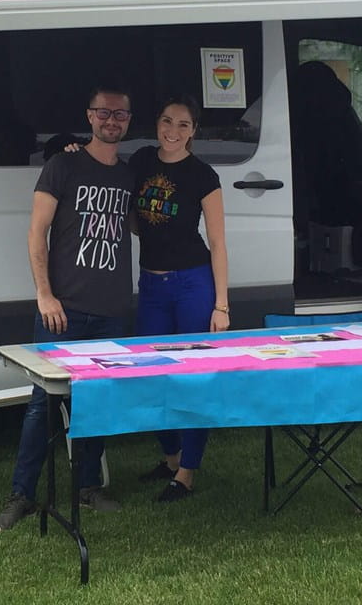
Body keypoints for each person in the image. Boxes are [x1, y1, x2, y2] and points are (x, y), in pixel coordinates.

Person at [0, 87, 136, 533]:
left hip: (112, 310)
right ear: (90, 117)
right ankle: (21, 494)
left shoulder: (130, 176)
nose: (112, 121)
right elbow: (37, 233)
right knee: (43, 405)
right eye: (104, 113)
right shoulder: (62, 166)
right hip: (64, 311)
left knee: (99, 401)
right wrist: (45, 294)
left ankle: (89, 487)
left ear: (128, 121)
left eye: (121, 115)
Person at [129, 94, 229, 503]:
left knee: (192, 374)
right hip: (151, 286)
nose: (173, 131)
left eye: (183, 125)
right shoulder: (139, 162)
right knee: (149, 374)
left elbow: (218, 244)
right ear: (156, 124)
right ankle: (171, 457)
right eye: (167, 121)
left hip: (193, 283)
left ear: (194, 132)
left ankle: (187, 472)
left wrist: (221, 304)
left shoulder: (203, 176)